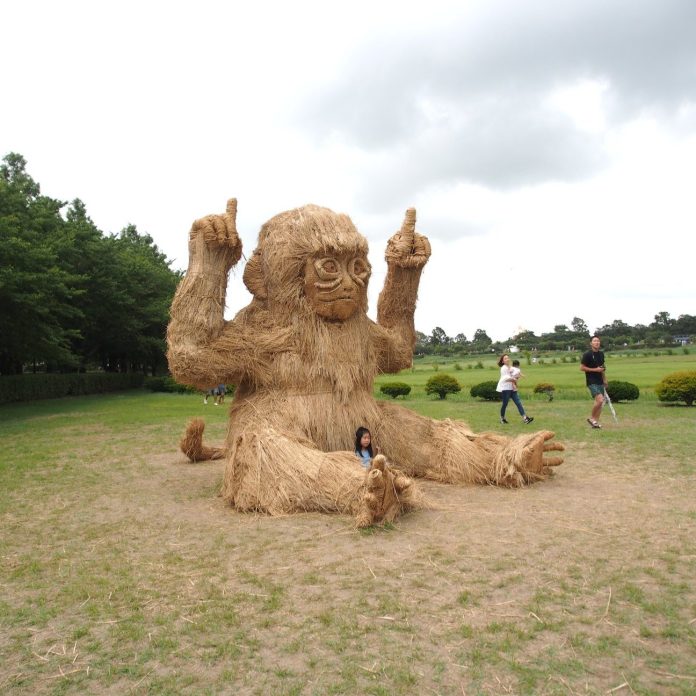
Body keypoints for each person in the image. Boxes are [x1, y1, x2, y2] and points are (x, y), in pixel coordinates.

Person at [496, 354, 534, 425]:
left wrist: (520, 375)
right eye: (505, 358)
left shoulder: (510, 368)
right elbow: (506, 379)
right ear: (503, 361)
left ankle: (525, 418)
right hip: (506, 389)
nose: (507, 359)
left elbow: (516, 371)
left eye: (508, 358)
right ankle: (502, 418)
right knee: (505, 404)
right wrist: (514, 379)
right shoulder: (503, 368)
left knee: (518, 403)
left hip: (512, 389)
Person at [580, 335, 607, 429]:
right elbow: (582, 368)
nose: (597, 342)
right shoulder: (587, 354)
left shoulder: (601, 354)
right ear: (591, 343)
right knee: (600, 400)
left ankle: (595, 422)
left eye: (598, 341)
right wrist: (595, 370)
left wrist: (604, 379)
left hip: (600, 380)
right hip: (591, 381)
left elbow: (602, 368)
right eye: (595, 341)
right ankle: (591, 418)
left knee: (600, 402)